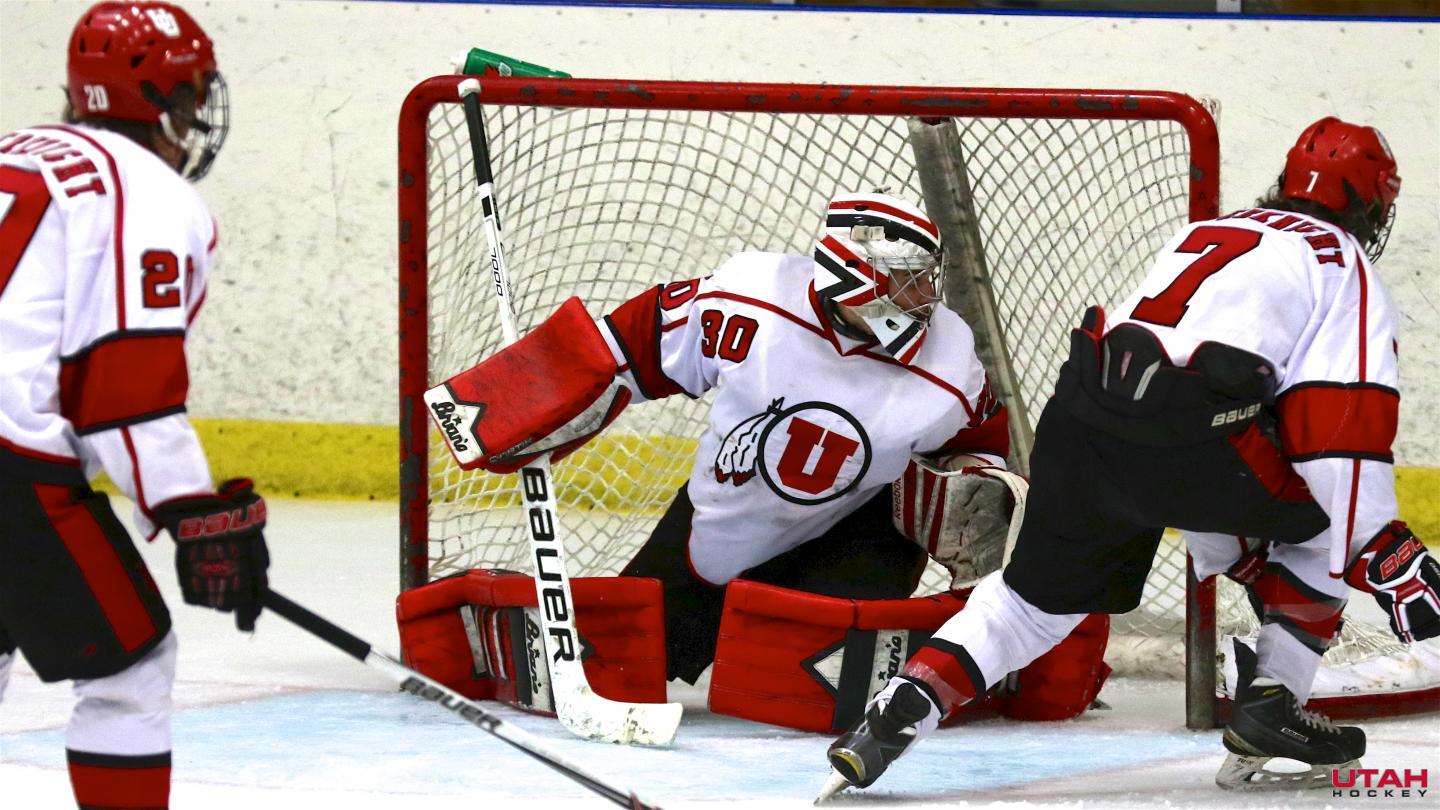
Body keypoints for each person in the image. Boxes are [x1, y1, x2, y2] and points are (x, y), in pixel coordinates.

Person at [822, 117, 1440, 797]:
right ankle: (1272, 704)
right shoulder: (1342, 264)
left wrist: (1240, 551)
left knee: (1030, 604)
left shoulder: (1212, 230)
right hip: (1197, 438)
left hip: (1084, 416)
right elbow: (1338, 427)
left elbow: (1171, 378)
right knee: (1323, 535)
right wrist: (1385, 551)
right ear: (1371, 205)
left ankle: (902, 706)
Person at [0, 4, 268, 809]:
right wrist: (189, 511)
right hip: (10, 466)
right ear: (156, 99)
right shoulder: (147, 193)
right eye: (190, 94)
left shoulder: (15, 149)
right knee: (131, 669)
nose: (198, 113)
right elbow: (120, 390)